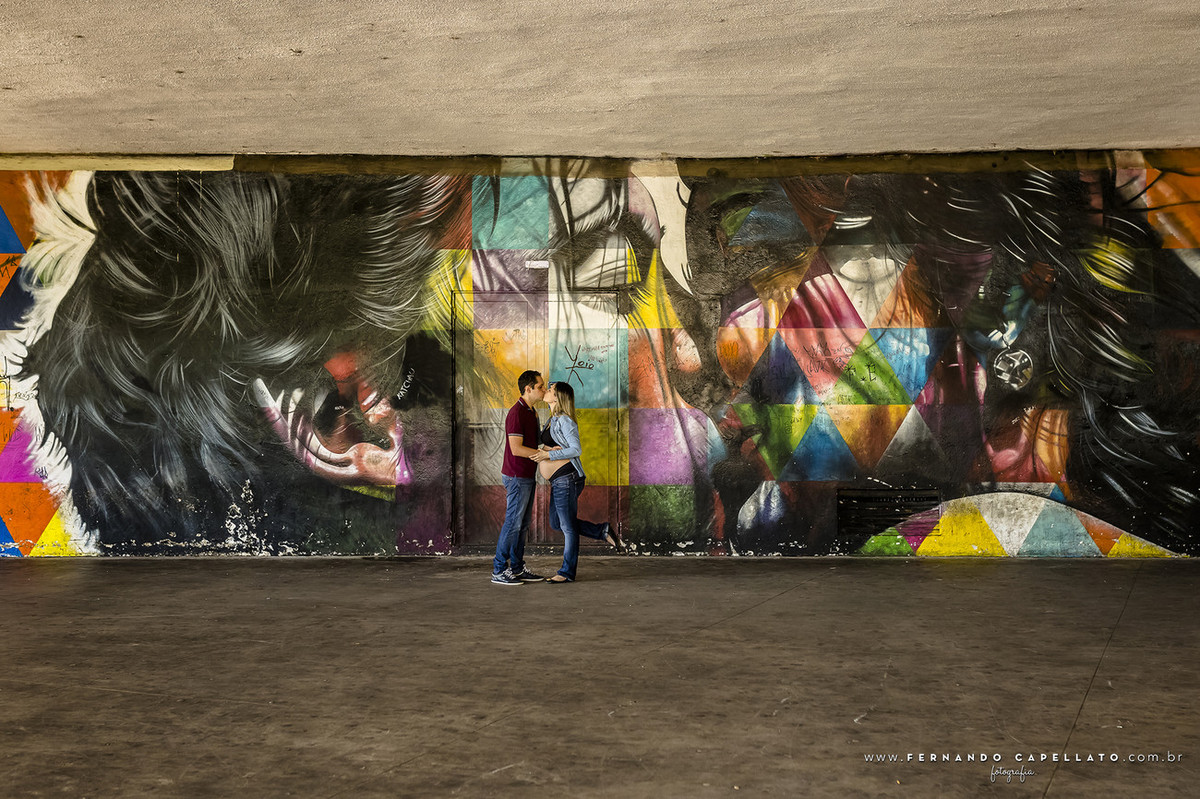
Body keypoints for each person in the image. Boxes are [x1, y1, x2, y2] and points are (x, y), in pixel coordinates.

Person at [531, 381, 625, 582]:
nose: (546, 391)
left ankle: (567, 572)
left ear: (557, 397)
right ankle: (601, 531)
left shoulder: (565, 420)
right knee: (557, 523)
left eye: (550, 390)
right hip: (558, 480)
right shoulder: (552, 419)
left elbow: (575, 450)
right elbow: (553, 445)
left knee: (567, 527)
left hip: (568, 478)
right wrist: (547, 451)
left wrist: (548, 456)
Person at [492, 370, 548, 585]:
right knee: (513, 523)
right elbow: (516, 449)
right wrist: (544, 455)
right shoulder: (517, 412)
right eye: (540, 386)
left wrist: (546, 450)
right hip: (516, 476)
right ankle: (499, 570)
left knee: (522, 524)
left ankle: (516, 568)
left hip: (526, 475)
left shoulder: (531, 411)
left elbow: (530, 445)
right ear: (528, 389)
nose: (543, 389)